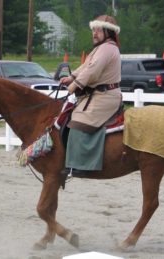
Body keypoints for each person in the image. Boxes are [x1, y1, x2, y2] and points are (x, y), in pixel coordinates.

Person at [60, 14, 122, 176]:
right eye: (93, 30)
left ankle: (81, 165)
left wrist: (73, 86)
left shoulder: (108, 48)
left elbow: (93, 72)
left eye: (98, 30)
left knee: (78, 123)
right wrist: (71, 77)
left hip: (105, 97)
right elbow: (86, 66)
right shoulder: (100, 48)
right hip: (96, 96)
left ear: (108, 32)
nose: (94, 33)